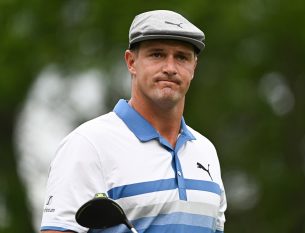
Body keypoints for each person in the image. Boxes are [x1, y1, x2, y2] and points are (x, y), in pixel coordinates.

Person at [40, 10, 226, 233]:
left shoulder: (205, 152)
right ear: (131, 62)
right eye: (157, 55)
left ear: (193, 67)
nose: (170, 67)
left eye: (182, 57)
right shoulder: (88, 145)